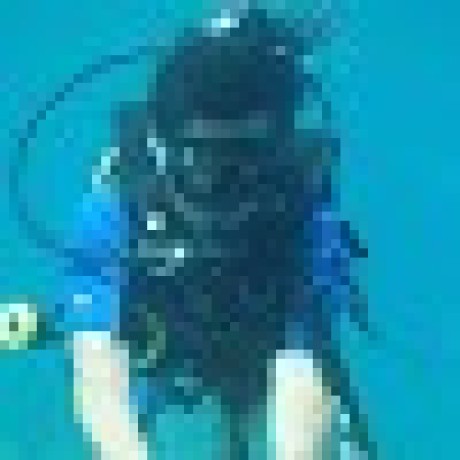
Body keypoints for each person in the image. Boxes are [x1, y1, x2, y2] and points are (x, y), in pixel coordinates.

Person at [18, 6, 370, 459]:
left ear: (277, 152)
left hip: (259, 340)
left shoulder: (303, 212)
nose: (225, 187)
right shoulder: (121, 199)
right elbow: (97, 361)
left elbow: (304, 365)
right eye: (202, 159)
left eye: (246, 161)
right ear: (161, 148)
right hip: (158, 341)